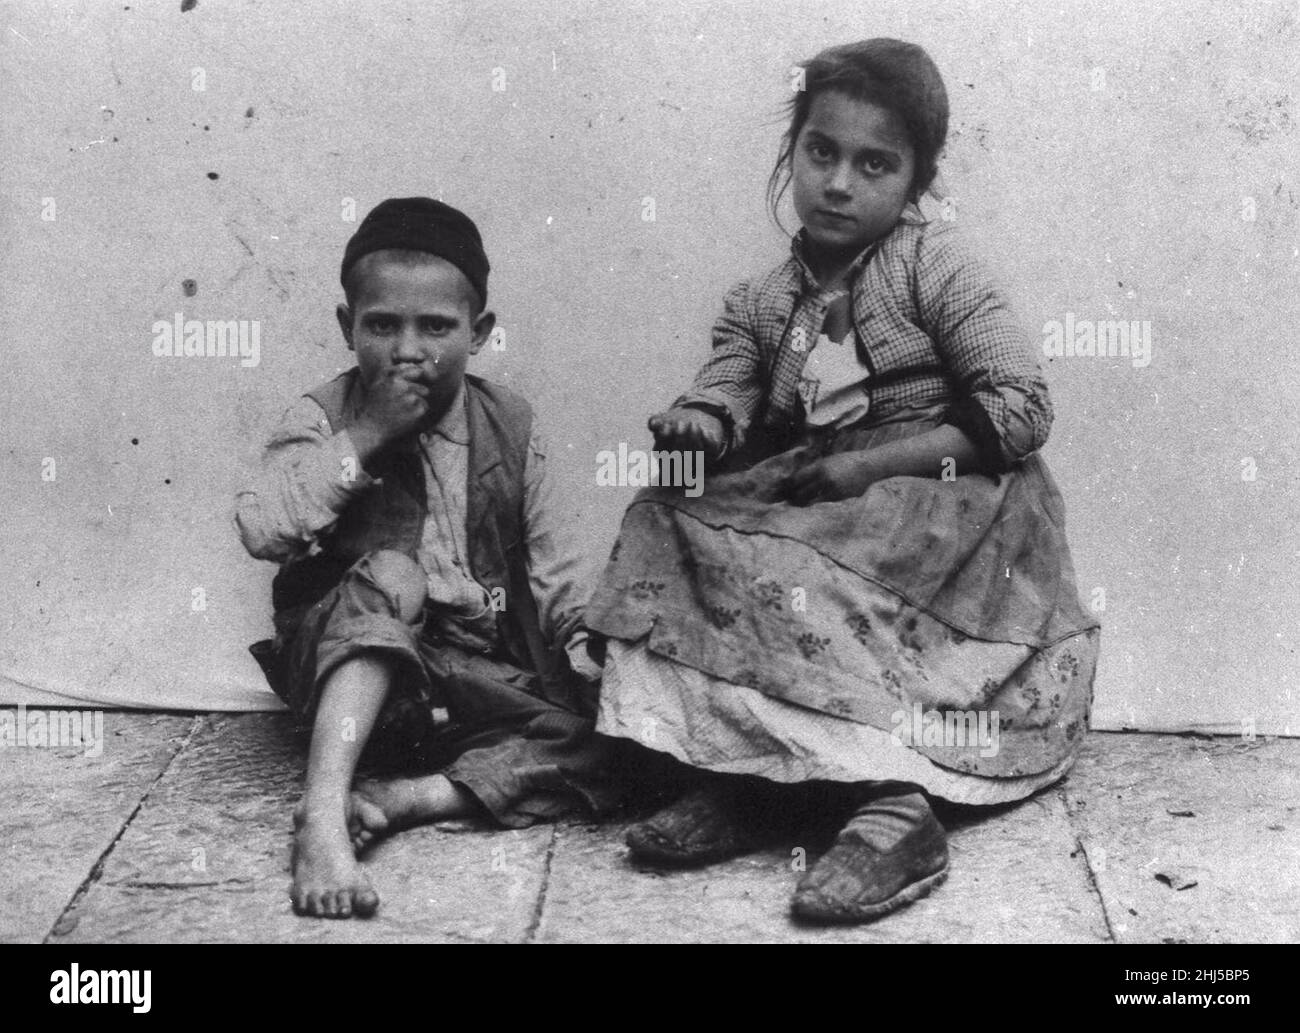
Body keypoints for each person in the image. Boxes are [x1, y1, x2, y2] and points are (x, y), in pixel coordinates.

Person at [584, 39, 1100, 924]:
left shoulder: (937, 269)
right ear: (793, 151)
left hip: (938, 494)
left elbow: (1019, 405)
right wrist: (703, 419)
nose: (839, 183)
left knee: (824, 564)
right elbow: (732, 379)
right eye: (821, 153)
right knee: (663, 515)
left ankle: (894, 810)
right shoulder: (762, 298)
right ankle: (756, 777)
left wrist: (871, 462)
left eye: (875, 164)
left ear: (917, 179)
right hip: (820, 485)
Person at [236, 198, 612, 919]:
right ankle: (321, 814)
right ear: (349, 328)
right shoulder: (326, 415)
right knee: (395, 575)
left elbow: (559, 572)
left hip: (465, 680)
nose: (408, 349)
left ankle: (410, 798)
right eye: (382, 325)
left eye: (436, 327)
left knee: (618, 737)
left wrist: (595, 659)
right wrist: (366, 436)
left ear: (479, 332)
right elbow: (262, 526)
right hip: (352, 674)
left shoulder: (513, 425)